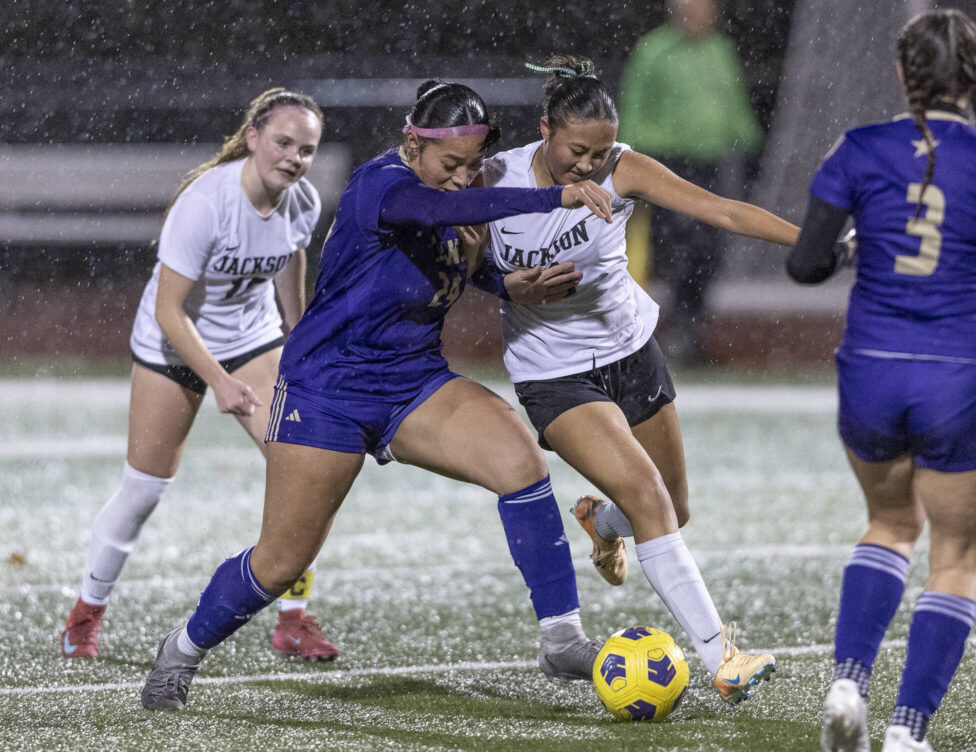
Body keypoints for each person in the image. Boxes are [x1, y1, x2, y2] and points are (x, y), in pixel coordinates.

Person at [139, 80, 617, 711]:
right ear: (412, 143)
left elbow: (453, 262)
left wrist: (508, 286)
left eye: (474, 166)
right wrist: (555, 195)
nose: (463, 179)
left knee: (520, 462)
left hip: (411, 381)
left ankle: (560, 637)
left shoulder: (453, 192)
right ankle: (183, 649)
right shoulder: (379, 184)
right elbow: (433, 214)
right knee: (281, 563)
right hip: (327, 388)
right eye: (451, 165)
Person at [475, 54, 807, 705]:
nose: (589, 166)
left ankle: (603, 525)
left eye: (600, 153)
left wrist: (819, 244)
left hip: (633, 355)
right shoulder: (495, 179)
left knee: (671, 509)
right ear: (545, 128)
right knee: (654, 498)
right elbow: (448, 262)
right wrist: (507, 287)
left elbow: (726, 211)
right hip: (555, 375)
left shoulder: (623, 165)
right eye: (576, 151)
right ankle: (723, 659)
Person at [786, 10, 976, 752]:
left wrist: (861, 247)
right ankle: (906, 734)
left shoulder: (858, 148)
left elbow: (804, 265)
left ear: (902, 73)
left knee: (890, 524)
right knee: (958, 557)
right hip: (957, 376)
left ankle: (847, 684)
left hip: (871, 373)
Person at [58, 88, 341, 663]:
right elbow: (169, 311)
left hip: (252, 341)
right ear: (255, 137)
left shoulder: (301, 200)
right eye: (284, 142)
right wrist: (217, 380)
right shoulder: (207, 203)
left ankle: (292, 620)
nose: (294, 157)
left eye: (306, 149)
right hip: (170, 345)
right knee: (143, 489)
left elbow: (291, 257)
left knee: (306, 468)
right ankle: (84, 618)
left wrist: (299, 335)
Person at [618, 0, 763, 366]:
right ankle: (672, 329)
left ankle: (690, 326)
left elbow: (733, 103)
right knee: (675, 248)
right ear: (676, 12)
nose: (705, 16)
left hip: (710, 164)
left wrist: (748, 143)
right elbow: (633, 107)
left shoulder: (720, 50)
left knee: (707, 249)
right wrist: (629, 164)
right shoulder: (653, 50)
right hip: (666, 164)